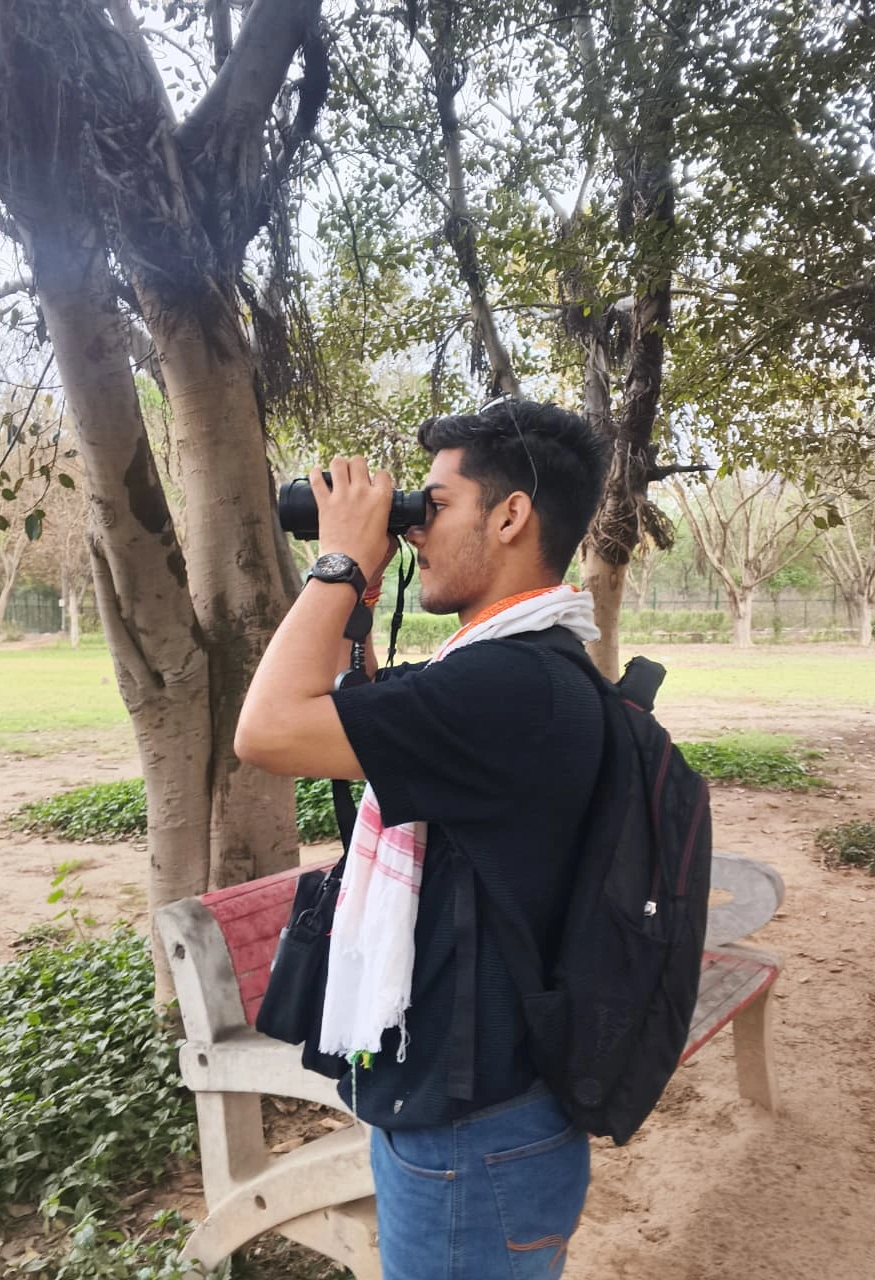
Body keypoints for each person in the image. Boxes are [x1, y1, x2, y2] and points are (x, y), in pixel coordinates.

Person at [235, 398, 609, 1280]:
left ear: (510, 516)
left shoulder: (506, 687)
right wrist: (360, 593)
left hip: (472, 1139)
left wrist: (336, 561)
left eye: (432, 506)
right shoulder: (527, 667)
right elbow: (360, 710)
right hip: (493, 1115)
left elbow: (268, 731)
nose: (410, 529)